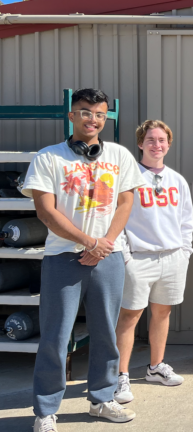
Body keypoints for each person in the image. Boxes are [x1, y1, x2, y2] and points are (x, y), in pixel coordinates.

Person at [22, 88, 145, 431]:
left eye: (100, 114)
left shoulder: (120, 156)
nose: (93, 119)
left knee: (106, 331)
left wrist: (103, 245)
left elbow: (125, 203)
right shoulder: (49, 157)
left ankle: (102, 399)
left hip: (109, 257)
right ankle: (45, 411)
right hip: (63, 257)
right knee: (55, 335)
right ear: (72, 115)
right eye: (86, 112)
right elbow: (45, 211)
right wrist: (88, 242)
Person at [113, 120, 193, 404]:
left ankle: (155, 367)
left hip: (171, 258)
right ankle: (120, 376)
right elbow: (116, 219)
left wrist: (184, 252)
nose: (156, 145)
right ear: (140, 143)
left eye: (162, 140)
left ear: (168, 144)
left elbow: (186, 221)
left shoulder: (177, 180)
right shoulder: (129, 176)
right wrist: (125, 257)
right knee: (130, 316)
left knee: (162, 313)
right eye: (151, 140)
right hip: (138, 258)